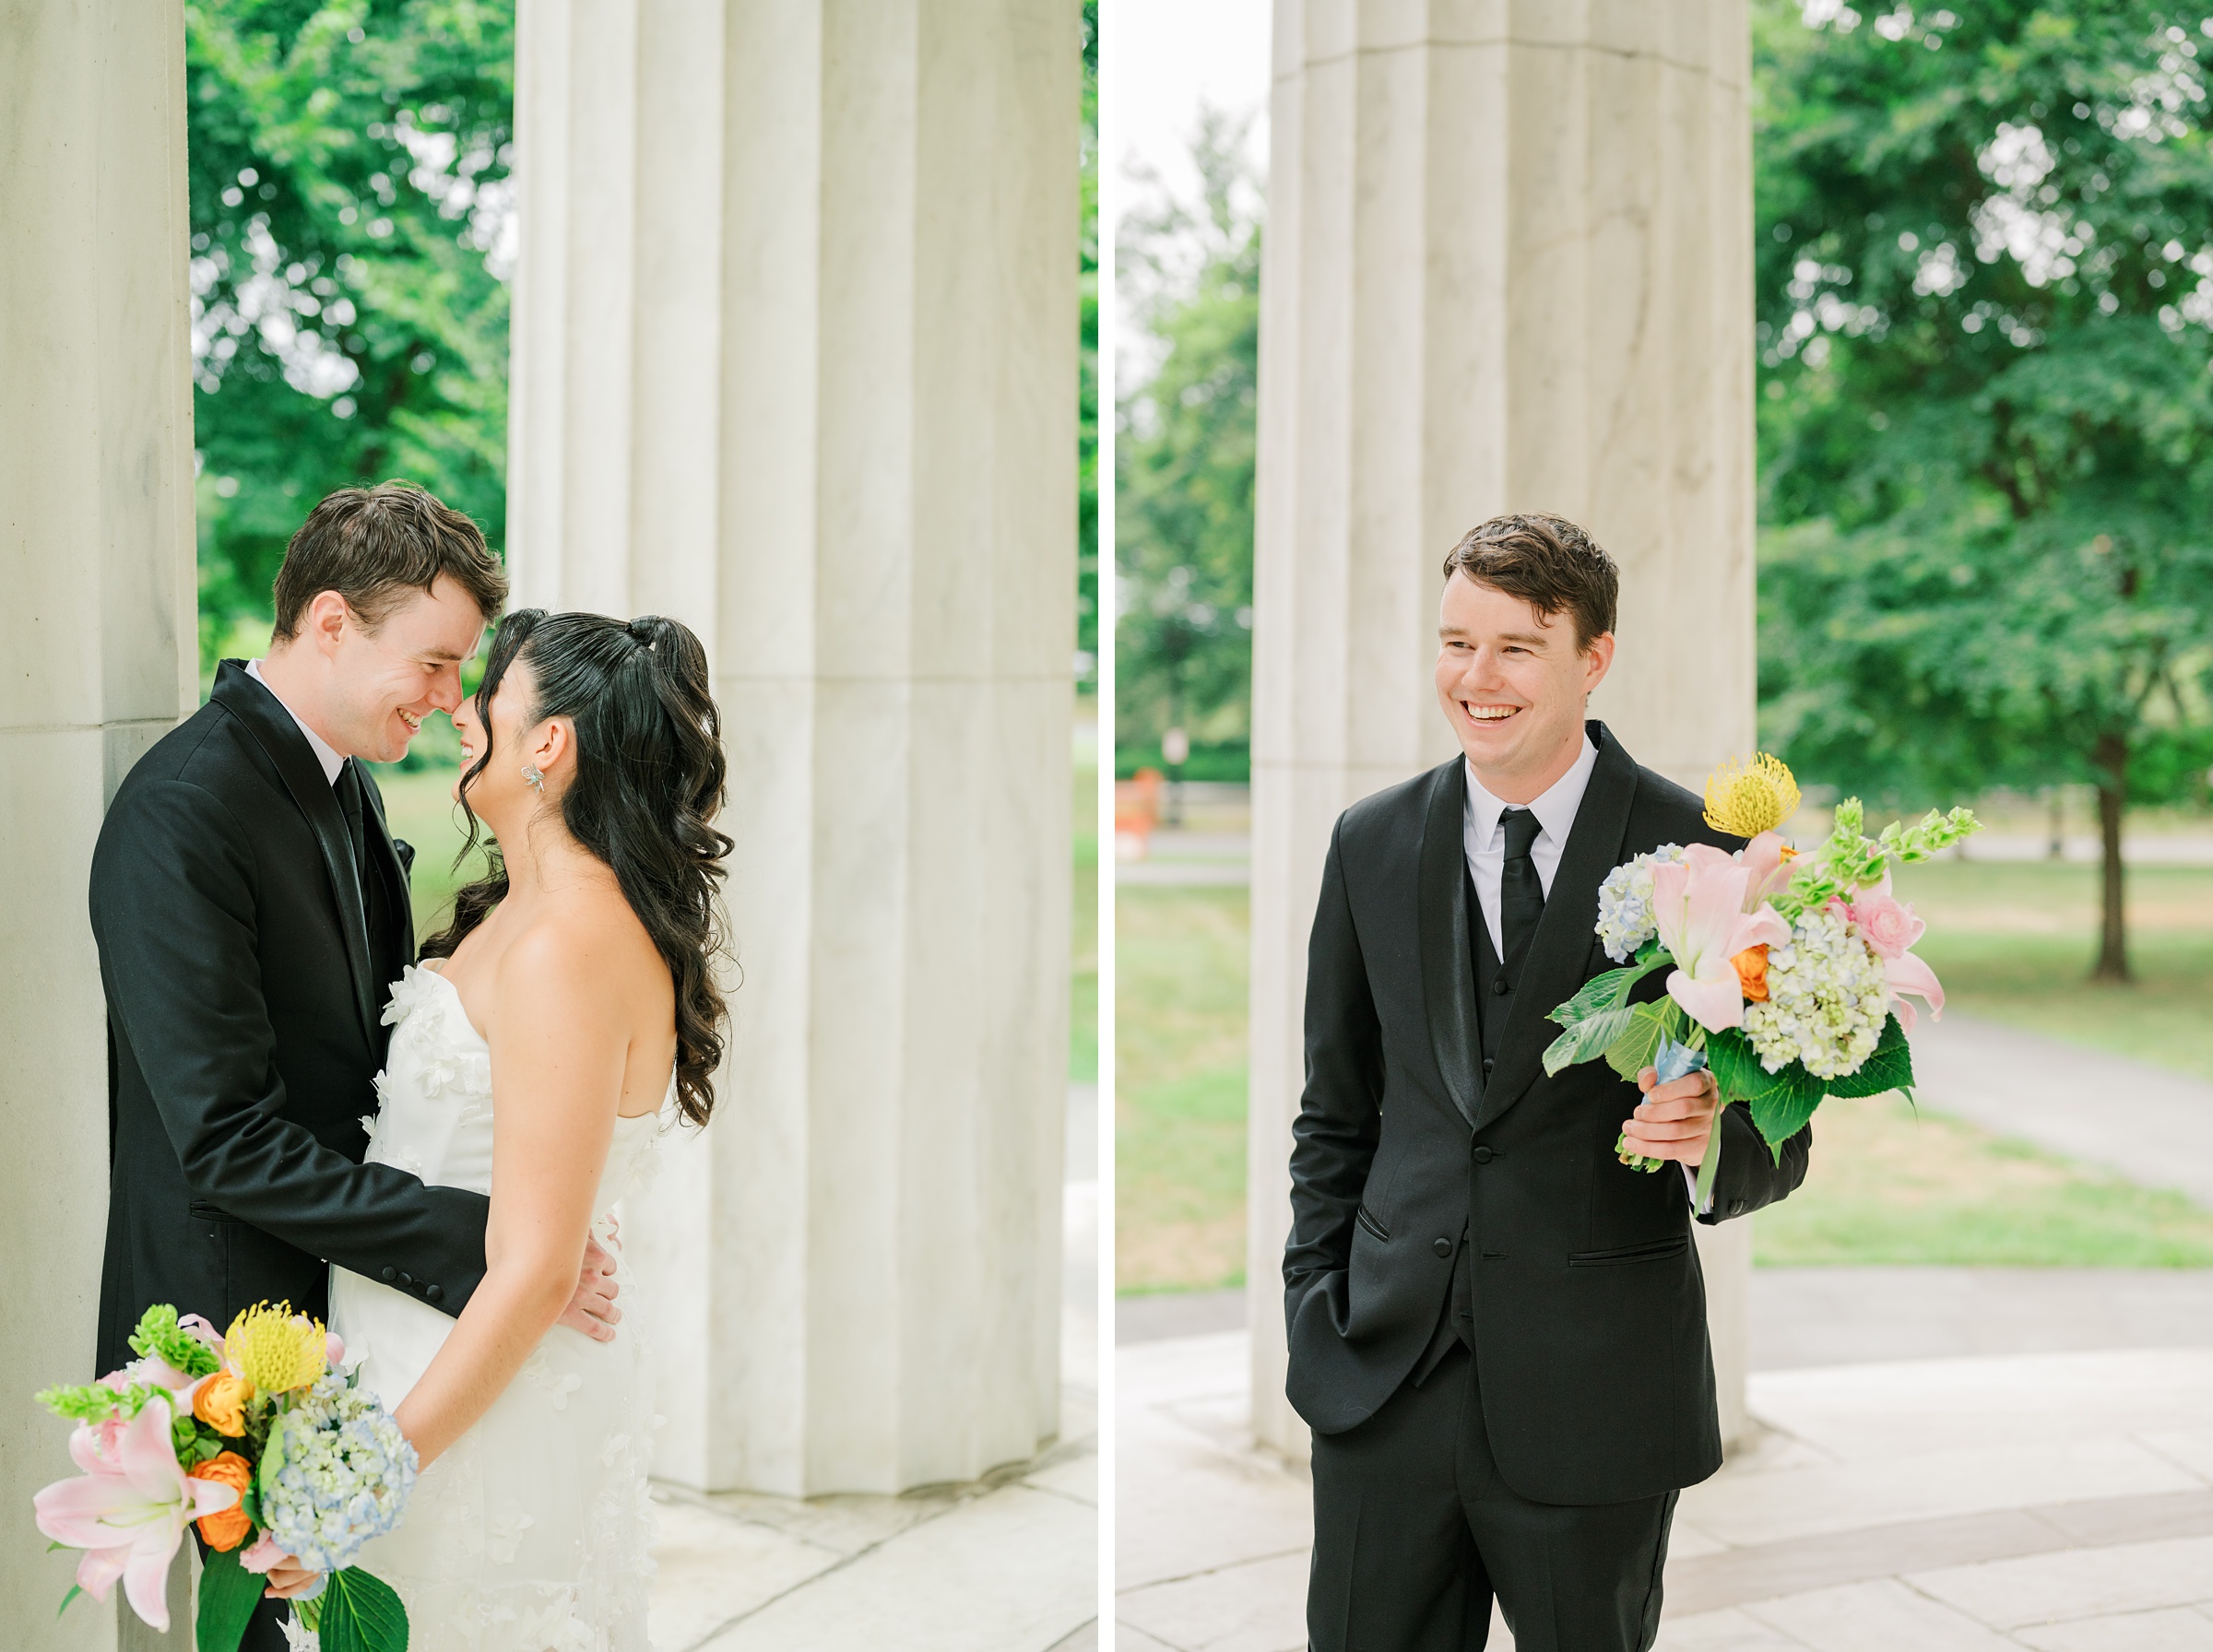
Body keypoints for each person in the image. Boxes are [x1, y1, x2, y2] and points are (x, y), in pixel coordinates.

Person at [89, 484, 624, 1646]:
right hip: (227, 1353)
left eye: (463, 670)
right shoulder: (183, 812)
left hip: (357, 1327)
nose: (452, 700)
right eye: (434, 663)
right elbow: (225, 1138)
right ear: (331, 622)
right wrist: (497, 1247)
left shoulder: (347, 782)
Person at [1286, 513, 1814, 1652]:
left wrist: (1713, 1131)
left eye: (1518, 645)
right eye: (1456, 642)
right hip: (1387, 1379)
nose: (1478, 678)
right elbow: (1334, 1111)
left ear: (1594, 656)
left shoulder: (1705, 852)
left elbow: (1782, 1130)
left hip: (1599, 1393)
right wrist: (1313, 1308)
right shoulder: (1367, 841)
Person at [327, 606, 730, 1650]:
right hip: (406, 1360)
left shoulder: (568, 946)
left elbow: (539, 1267)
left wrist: (365, 1481)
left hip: (470, 1412)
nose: (461, 712)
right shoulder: (519, 911)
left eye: (488, 693)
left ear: (548, 742)